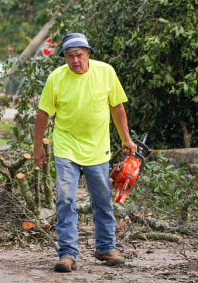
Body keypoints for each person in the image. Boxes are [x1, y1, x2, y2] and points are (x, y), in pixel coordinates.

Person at [32, 33, 137, 273]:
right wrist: (38, 147)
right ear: (65, 58)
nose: (75, 60)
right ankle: (68, 254)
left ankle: (106, 247)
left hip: (98, 148)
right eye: (69, 56)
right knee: (65, 198)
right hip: (66, 146)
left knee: (102, 199)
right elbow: (42, 114)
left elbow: (117, 106)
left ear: (88, 53)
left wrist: (126, 139)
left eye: (79, 55)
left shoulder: (106, 72)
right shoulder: (56, 78)